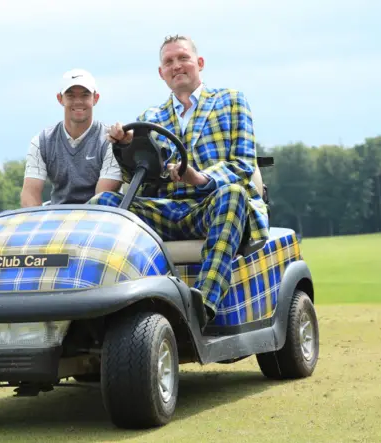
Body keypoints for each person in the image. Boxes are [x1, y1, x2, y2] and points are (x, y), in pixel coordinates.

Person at [89, 35, 270, 323]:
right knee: (104, 203)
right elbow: (140, 177)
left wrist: (198, 178)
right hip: (167, 210)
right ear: (161, 73)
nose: (177, 66)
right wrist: (124, 145)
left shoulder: (231, 101)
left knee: (234, 194)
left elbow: (243, 164)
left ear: (199, 63)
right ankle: (100, 306)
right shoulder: (151, 116)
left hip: (212, 206)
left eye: (183, 58)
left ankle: (201, 307)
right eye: (169, 62)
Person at [20, 68, 122, 207]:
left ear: (95, 98)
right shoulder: (41, 142)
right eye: (70, 96)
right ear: (60, 99)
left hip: (99, 221)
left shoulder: (111, 140)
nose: (78, 101)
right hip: (56, 219)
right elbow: (30, 194)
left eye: (85, 95)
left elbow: (102, 199)